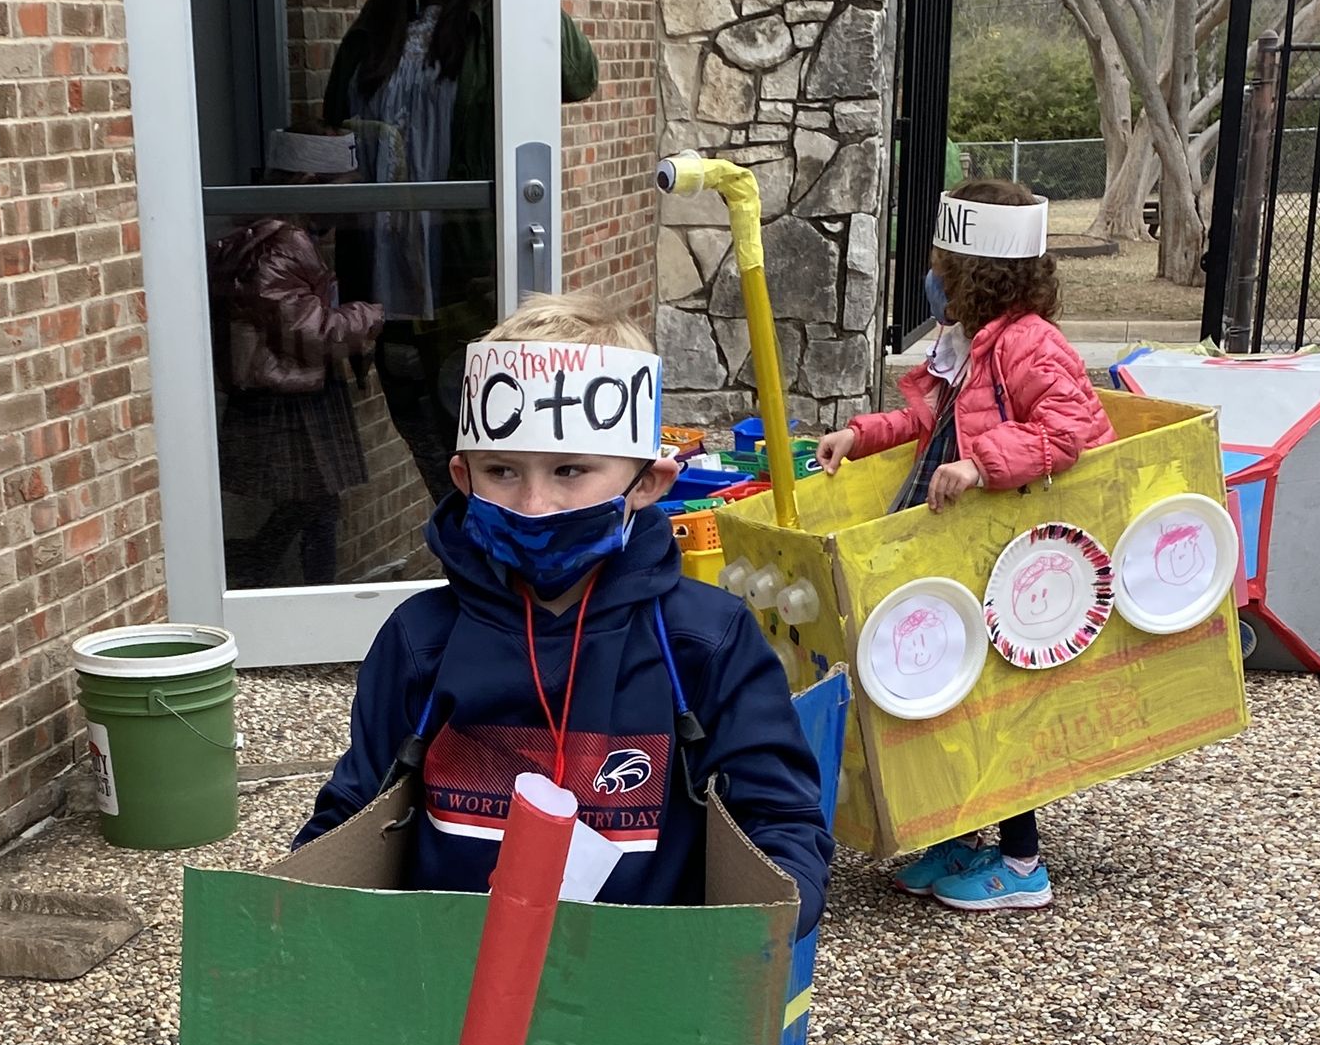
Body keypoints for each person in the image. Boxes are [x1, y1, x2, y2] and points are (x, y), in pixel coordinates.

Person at [294, 293, 832, 932]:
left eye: (570, 470)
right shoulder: (420, 642)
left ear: (650, 483)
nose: (535, 503)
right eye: (502, 471)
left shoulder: (705, 643)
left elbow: (779, 824)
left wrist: (757, 931)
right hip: (447, 986)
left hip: (640, 991)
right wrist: (301, 907)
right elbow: (355, 812)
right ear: (463, 479)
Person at [815, 179, 1114, 916]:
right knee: (947, 680)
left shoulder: (1028, 343)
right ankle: (964, 828)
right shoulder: (969, 342)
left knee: (996, 697)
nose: (931, 276)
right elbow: (929, 417)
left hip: (1005, 547)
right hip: (961, 534)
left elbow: (1070, 427)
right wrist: (860, 436)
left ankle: (1021, 862)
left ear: (975, 273)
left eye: (941, 264)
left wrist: (982, 464)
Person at [323, 0, 599, 505]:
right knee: (436, 469)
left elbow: (577, 77)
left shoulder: (498, 13)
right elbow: (336, 120)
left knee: (490, 463)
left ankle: (495, 591)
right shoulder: (378, 22)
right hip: (389, 285)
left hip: (468, 284)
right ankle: (469, 584)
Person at [207, 128, 385, 588]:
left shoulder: (274, 234)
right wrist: (371, 314)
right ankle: (281, 584)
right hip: (288, 395)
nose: (349, 206)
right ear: (308, 183)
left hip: (288, 388)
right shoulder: (282, 244)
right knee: (318, 507)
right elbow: (308, 331)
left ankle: (257, 571)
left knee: (312, 504)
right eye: (344, 190)